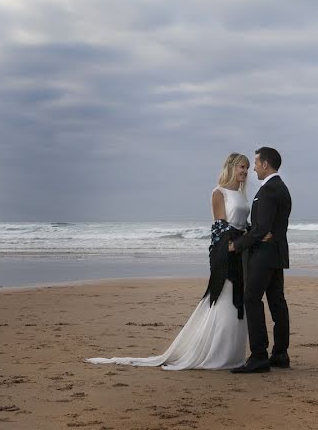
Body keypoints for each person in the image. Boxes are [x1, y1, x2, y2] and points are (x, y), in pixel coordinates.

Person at [86, 153, 251, 370]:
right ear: (231, 167)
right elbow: (220, 228)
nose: (245, 171)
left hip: (240, 251)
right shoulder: (218, 193)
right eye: (242, 167)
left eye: (247, 168)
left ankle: (232, 354)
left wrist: (250, 238)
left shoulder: (241, 193)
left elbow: (242, 223)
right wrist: (231, 246)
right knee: (224, 298)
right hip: (226, 252)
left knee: (238, 301)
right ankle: (216, 353)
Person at [230, 146, 291, 373]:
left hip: (264, 256)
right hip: (278, 255)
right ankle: (280, 354)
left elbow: (260, 230)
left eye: (255, 163)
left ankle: (259, 356)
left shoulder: (267, 191)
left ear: (265, 164)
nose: (253, 168)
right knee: (277, 302)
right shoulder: (282, 188)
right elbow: (269, 227)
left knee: (252, 299)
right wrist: (260, 231)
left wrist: (236, 244)